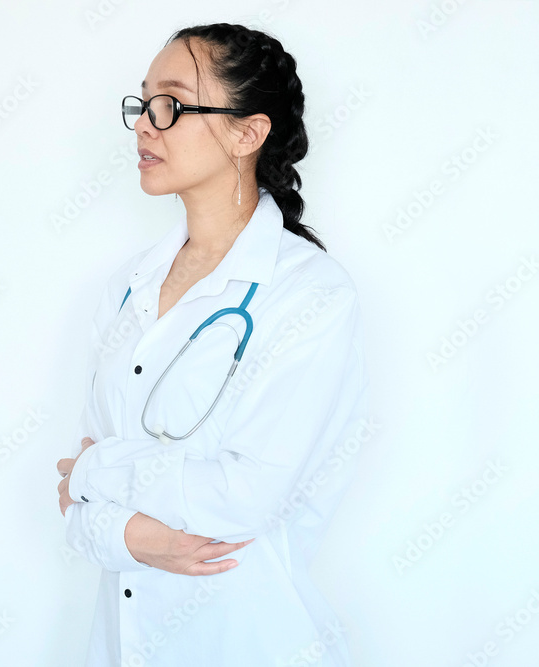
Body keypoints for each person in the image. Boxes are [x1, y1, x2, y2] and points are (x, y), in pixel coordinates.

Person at [55, 23, 370, 666]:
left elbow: (245, 497)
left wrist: (97, 473)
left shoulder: (309, 294)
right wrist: (135, 534)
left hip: (250, 640)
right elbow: (72, 512)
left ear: (247, 134)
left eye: (170, 103)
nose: (145, 123)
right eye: (142, 104)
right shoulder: (127, 288)